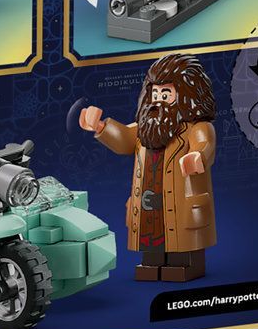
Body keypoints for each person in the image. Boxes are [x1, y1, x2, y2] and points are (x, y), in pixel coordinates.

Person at [78, 52, 217, 282]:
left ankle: (185, 265)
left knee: (181, 239)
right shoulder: (146, 129)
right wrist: (101, 127)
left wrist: (197, 156)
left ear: (187, 95)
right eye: (155, 93)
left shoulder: (195, 127)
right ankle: (152, 264)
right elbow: (124, 138)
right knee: (151, 236)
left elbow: (205, 143)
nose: (158, 100)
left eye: (166, 94)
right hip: (148, 204)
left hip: (180, 202)